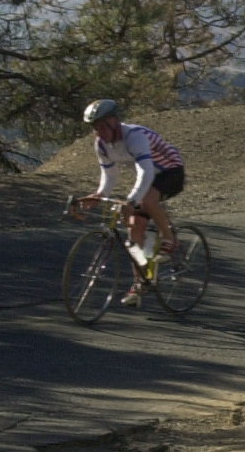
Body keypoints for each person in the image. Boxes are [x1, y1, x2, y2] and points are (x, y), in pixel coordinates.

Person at [72, 99, 185, 303]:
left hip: (171, 171)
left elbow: (146, 172)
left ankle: (170, 239)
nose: (98, 132)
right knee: (134, 231)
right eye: (94, 127)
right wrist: (99, 194)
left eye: (101, 126)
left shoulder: (135, 137)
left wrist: (131, 200)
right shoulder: (102, 144)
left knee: (148, 202)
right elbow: (110, 174)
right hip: (149, 178)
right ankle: (140, 282)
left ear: (114, 121)